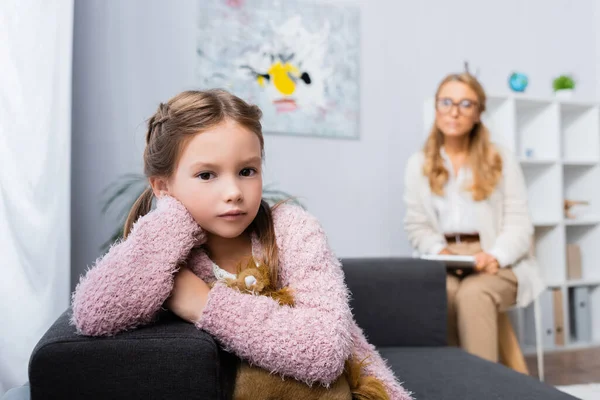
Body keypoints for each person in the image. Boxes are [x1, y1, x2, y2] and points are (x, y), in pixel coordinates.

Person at [70, 89, 412, 399]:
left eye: (247, 171)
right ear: (162, 186)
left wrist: (204, 303)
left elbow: (323, 350)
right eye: (207, 175)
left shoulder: (293, 229)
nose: (234, 191)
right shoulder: (167, 255)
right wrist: (170, 218)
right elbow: (94, 314)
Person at [403, 73, 544, 363]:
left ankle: (484, 387)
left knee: (473, 294)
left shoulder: (500, 159)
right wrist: (439, 251)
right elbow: (417, 225)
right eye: (447, 102)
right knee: (443, 292)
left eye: (466, 103)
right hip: (443, 258)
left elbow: (519, 223)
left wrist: (495, 256)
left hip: (496, 257)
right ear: (436, 108)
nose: (454, 111)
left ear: (478, 112)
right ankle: (448, 383)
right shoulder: (418, 164)